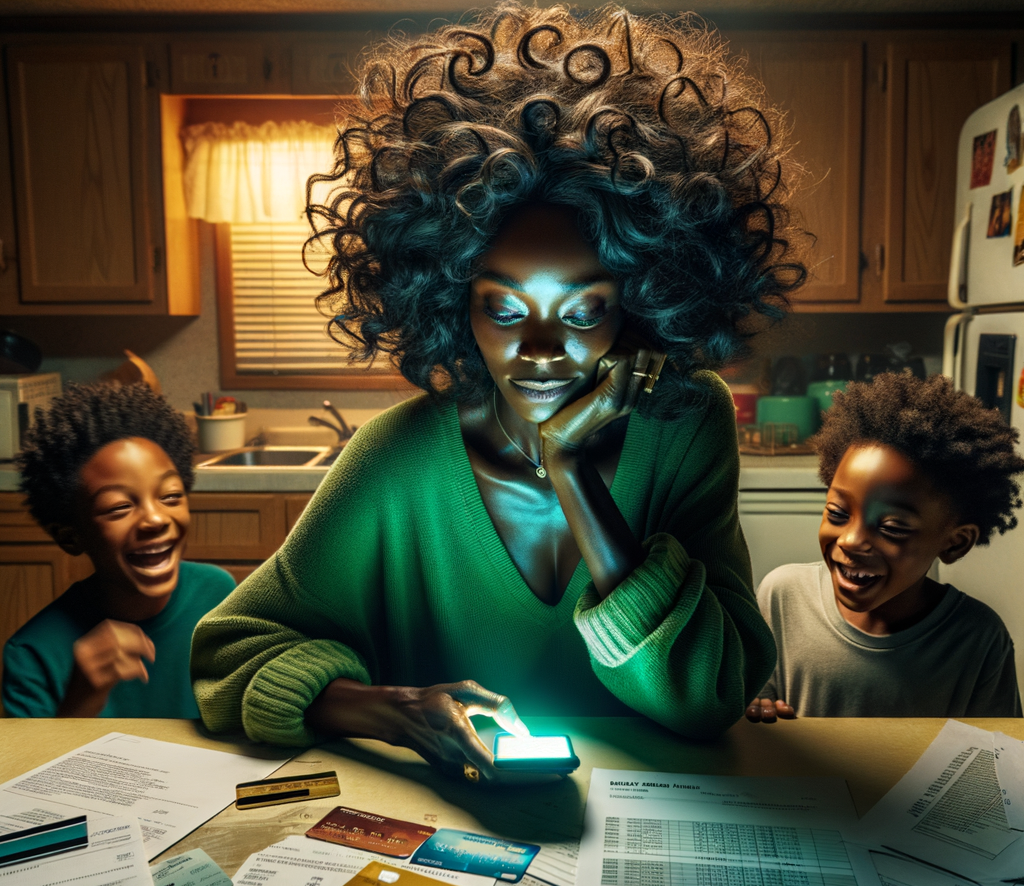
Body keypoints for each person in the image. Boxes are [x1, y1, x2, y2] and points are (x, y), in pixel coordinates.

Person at [191, 3, 807, 776]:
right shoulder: (398, 457)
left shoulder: (685, 421)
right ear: (456, 303)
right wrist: (398, 711)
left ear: (638, 304)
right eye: (505, 310)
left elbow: (713, 698)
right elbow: (228, 654)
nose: (542, 350)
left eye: (582, 311)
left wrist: (573, 472)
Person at [747, 373, 1024, 722]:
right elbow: (752, 703)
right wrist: (757, 711)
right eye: (837, 513)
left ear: (955, 543)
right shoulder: (782, 597)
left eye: (891, 528)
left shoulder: (978, 638)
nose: (850, 540)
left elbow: (998, 747)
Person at [2, 382, 236, 718]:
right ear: (70, 537)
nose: (155, 519)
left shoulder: (219, 596)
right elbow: (35, 756)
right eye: (119, 507)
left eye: (170, 496)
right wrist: (83, 697)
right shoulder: (32, 656)